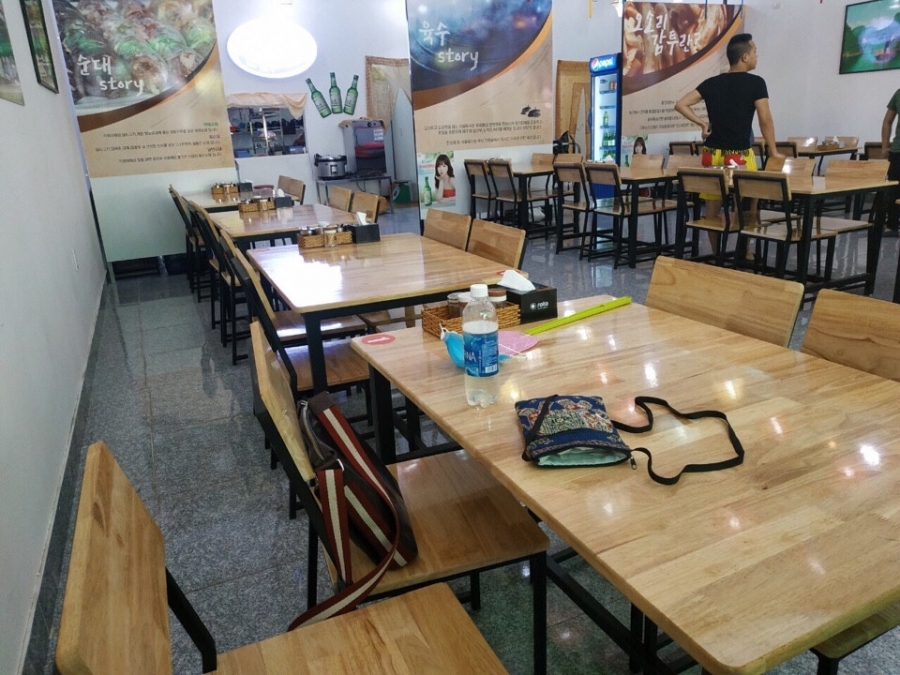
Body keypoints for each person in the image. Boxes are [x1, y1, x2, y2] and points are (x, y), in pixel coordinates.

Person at [674, 33, 783, 229]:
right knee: (747, 206)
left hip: (711, 154)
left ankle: (717, 248)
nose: (757, 56)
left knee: (712, 210)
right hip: (739, 155)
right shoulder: (756, 83)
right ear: (745, 57)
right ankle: (744, 245)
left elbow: (681, 104)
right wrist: (773, 151)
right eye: (755, 52)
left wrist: (702, 124)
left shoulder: (711, 83)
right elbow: (765, 120)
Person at [881, 89, 900, 235]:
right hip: (898, 151)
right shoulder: (899, 93)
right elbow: (887, 121)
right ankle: (892, 225)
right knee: (893, 190)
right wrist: (885, 146)